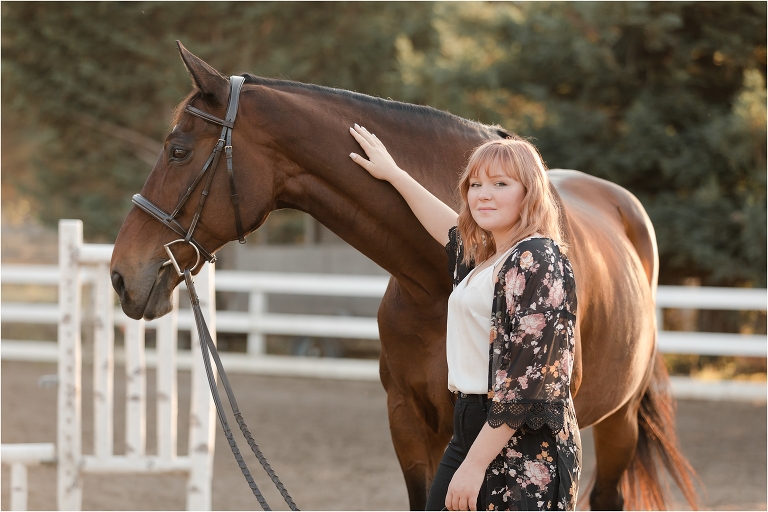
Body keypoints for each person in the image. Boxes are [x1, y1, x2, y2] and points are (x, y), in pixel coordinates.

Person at [348, 124, 581, 511]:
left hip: (520, 441)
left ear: (529, 193)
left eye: (500, 184)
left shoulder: (537, 259)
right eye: (475, 185)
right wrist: (395, 174)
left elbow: (527, 382)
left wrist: (474, 466)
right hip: (471, 425)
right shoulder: (489, 259)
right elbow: (448, 228)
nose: (483, 194)